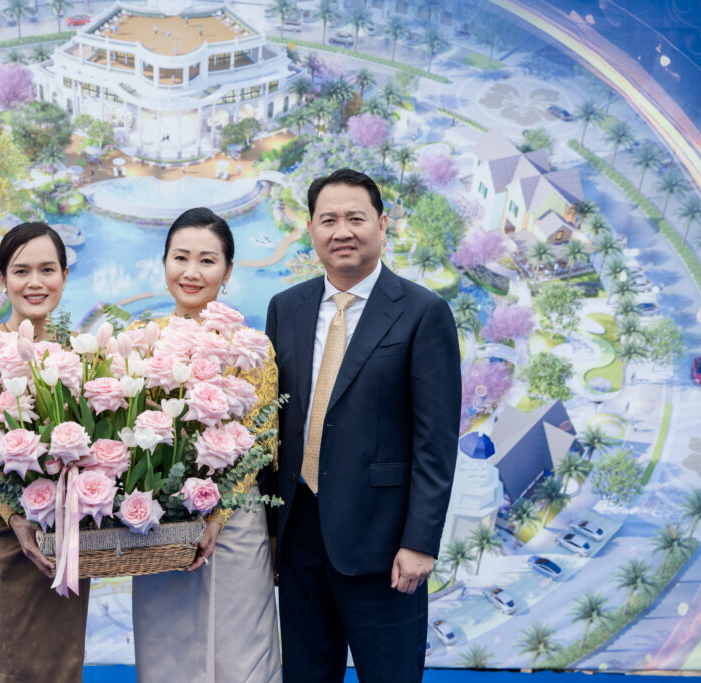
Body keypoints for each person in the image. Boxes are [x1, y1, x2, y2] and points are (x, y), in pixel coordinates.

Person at [263, 168, 460, 682]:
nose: (342, 231)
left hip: (384, 544)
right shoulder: (286, 308)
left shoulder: (423, 312)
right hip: (299, 536)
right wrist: (270, 530)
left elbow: (436, 443)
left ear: (382, 224)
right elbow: (273, 426)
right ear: (311, 229)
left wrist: (420, 541)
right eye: (328, 220)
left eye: (356, 218)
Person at [131, 208, 281, 682]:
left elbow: (260, 445)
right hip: (160, 526)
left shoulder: (252, 347)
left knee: (240, 653)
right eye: (181, 258)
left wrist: (215, 518)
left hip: (234, 523)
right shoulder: (139, 343)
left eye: (207, 260)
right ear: (165, 262)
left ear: (228, 271)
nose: (191, 272)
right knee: (168, 653)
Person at [0, 223, 90, 683]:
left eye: (47, 270)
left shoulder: (81, 354)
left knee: (60, 668)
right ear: (2, 279)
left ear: (65, 276)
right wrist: (15, 516)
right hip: (0, 536)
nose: (35, 282)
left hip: (61, 544)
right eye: (21, 271)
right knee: (1, 668)